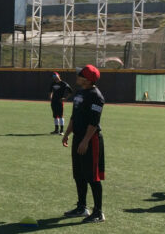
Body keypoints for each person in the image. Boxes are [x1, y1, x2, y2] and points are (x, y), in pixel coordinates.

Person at [61, 65, 106, 223]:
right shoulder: (80, 92)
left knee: (92, 177)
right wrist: (67, 134)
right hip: (78, 138)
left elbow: (94, 123)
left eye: (80, 75)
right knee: (78, 175)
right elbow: (74, 117)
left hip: (91, 140)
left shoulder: (96, 96)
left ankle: (98, 212)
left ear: (87, 79)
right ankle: (82, 207)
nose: (77, 76)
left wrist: (85, 141)